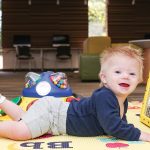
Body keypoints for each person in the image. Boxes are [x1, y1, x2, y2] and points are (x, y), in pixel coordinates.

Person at [0, 46, 150, 142]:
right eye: (118, 72)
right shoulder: (104, 96)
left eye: (132, 73)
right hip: (53, 116)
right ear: (104, 78)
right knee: (21, 132)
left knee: (24, 118)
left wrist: (128, 129)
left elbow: (120, 123)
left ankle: (1, 100)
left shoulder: (122, 100)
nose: (125, 76)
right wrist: (141, 135)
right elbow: (113, 127)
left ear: (139, 80)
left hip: (55, 110)